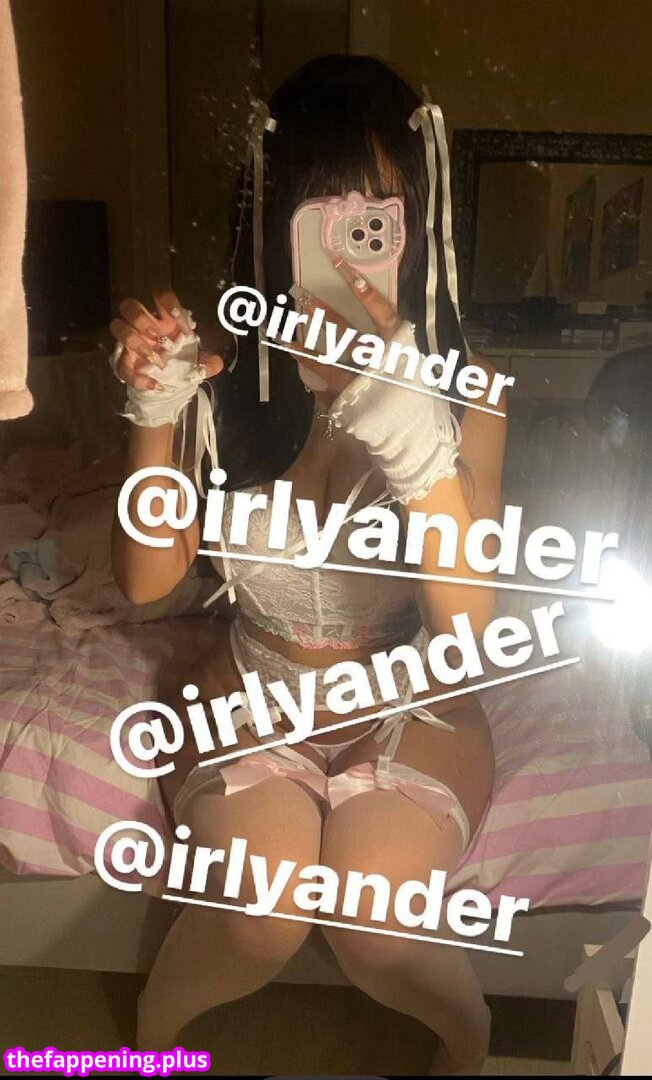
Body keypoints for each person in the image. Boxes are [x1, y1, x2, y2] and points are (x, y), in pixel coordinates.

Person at [109, 55, 506, 1074]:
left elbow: (470, 637)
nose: (347, 251)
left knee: (376, 925)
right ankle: (154, 1032)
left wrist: (418, 447)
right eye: (316, 215)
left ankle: (467, 1035)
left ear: (418, 222)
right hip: (253, 688)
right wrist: (155, 416)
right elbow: (148, 583)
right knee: (262, 914)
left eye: (374, 216)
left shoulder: (467, 388)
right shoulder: (222, 375)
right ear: (272, 223)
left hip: (411, 701)